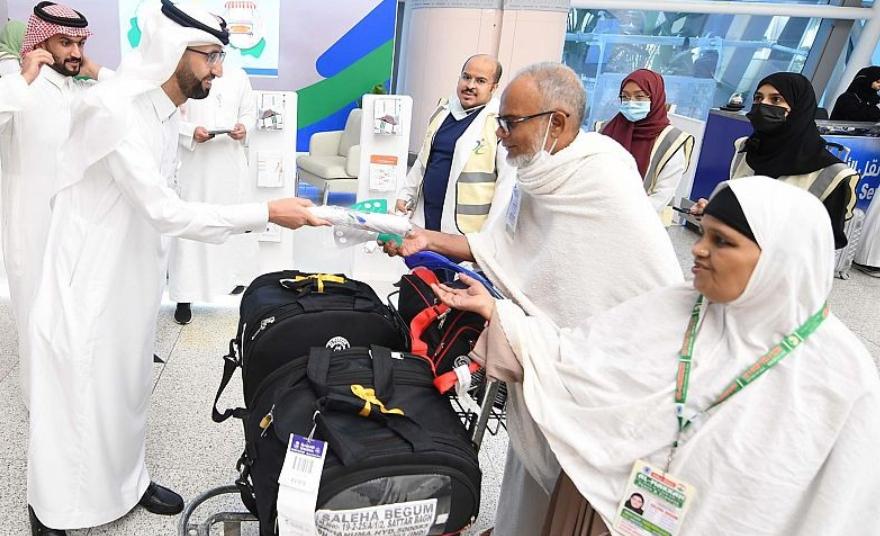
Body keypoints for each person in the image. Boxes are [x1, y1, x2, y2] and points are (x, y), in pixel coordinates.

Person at [25, 3, 327, 533]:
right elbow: (165, 210)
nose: (218, 71)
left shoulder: (163, 110)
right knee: (78, 394)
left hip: (135, 277)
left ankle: (128, 482)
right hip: (92, 280)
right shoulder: (115, 110)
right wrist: (266, 212)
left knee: (128, 386)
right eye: (210, 57)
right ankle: (51, 507)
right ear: (172, 51)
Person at [436, 176, 880, 535]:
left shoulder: (839, 378)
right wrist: (498, 312)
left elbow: (841, 510)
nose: (699, 249)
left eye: (722, 241)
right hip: (609, 511)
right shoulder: (675, 308)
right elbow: (570, 360)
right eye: (704, 233)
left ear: (782, 260)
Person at [384, 62, 683, 536]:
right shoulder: (538, 173)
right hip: (543, 357)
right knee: (528, 484)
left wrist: (508, 318)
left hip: (603, 377)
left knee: (574, 495)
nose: (500, 135)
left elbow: (603, 299)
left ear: (555, 122)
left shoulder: (599, 179)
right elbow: (502, 247)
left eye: (509, 123)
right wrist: (429, 240)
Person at [0, 1, 110, 407]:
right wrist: (24, 77)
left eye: (80, 43)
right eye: (66, 42)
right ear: (40, 41)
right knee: (35, 317)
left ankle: (69, 403)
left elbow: (136, 100)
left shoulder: (78, 90)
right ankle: (39, 406)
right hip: (31, 227)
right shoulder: (16, 86)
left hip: (77, 228)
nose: (76, 52)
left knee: (73, 320)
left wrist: (95, 71)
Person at [691, 72, 857, 250]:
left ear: (800, 108)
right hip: (733, 258)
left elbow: (827, 242)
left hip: (782, 265)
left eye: (776, 100)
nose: (763, 105)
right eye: (758, 98)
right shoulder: (747, 149)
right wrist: (714, 213)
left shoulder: (832, 174)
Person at [168, 65, 257, 325]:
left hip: (230, 163)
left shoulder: (238, 75)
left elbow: (249, 112)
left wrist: (244, 127)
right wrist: (190, 131)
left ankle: (232, 279)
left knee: (233, 222)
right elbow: (170, 116)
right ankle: (184, 296)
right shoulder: (184, 70)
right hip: (196, 164)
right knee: (191, 226)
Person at [395, 54, 514, 235]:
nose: (470, 85)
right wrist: (406, 193)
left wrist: (489, 235)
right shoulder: (443, 110)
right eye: (466, 77)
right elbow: (423, 158)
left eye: (480, 81)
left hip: (466, 231)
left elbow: (506, 184)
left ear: (494, 87)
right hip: (426, 217)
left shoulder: (499, 123)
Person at [599, 69, 694, 215]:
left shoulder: (672, 141)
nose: (631, 102)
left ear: (656, 98)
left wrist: (621, 216)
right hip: (598, 214)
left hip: (643, 220)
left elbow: (661, 195)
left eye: (639, 97)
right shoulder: (605, 130)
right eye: (625, 97)